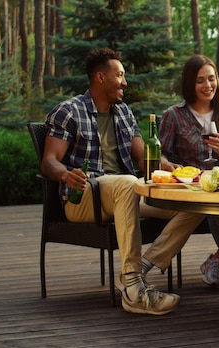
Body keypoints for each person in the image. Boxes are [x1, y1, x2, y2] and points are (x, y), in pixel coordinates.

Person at [42, 48, 205, 315]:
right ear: (100, 78)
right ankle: (133, 291)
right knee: (127, 182)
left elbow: (143, 158)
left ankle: (140, 269)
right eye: (119, 75)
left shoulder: (124, 112)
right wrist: (64, 174)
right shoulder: (69, 112)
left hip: (125, 195)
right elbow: (49, 161)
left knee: (192, 202)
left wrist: (167, 166)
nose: (125, 82)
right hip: (83, 198)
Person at [156, 54, 219, 291]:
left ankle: (216, 260)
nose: (207, 85)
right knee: (214, 204)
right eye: (200, 81)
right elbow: (161, 154)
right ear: (190, 83)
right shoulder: (173, 115)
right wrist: (168, 165)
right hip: (191, 190)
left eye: (211, 79)